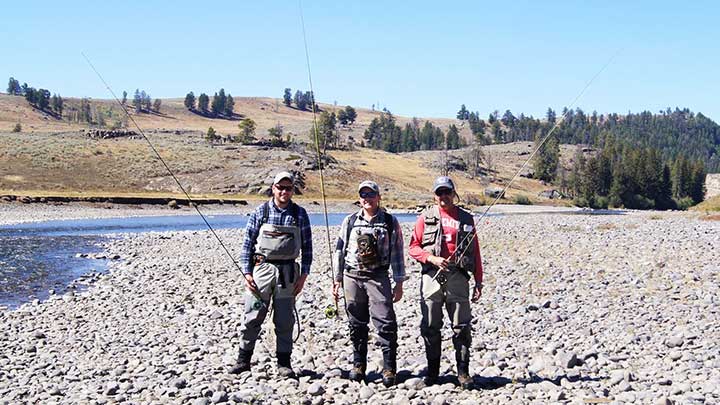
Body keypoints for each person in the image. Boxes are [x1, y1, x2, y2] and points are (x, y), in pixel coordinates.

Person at [230, 171, 313, 378]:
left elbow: (308, 248)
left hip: (288, 273)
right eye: (280, 187)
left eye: (288, 188)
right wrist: (247, 272)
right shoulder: (261, 212)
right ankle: (243, 361)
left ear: (293, 190)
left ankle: (284, 364)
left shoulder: (300, 214)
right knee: (252, 316)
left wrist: (303, 276)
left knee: (285, 320)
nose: (284, 191)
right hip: (262, 271)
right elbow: (247, 244)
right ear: (273, 188)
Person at [408, 176, 483, 389]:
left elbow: (476, 252)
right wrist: (431, 258)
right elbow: (413, 247)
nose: (443, 196)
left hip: (458, 278)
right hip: (432, 275)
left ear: (453, 193)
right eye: (439, 192)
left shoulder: (466, 218)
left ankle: (463, 372)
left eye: (447, 192)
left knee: (462, 326)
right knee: (430, 325)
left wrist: (479, 281)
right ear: (434, 195)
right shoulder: (425, 217)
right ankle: (432, 372)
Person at [332, 180, 405, 387]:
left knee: (386, 321)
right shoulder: (349, 221)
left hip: (378, 276)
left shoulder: (390, 222)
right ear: (359, 198)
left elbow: (398, 253)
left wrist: (399, 282)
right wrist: (337, 279)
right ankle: (358, 365)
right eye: (363, 195)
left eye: (371, 194)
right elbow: (339, 251)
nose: (367, 198)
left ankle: (389, 368)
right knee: (356, 321)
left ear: (378, 197)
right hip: (351, 276)